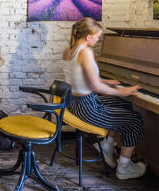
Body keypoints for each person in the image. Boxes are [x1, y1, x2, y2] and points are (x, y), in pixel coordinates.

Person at [62, 17, 146, 180]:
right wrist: (123, 91)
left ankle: (107, 144)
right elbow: (96, 87)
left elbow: (81, 77)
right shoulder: (85, 51)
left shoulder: (69, 49)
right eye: (97, 37)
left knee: (123, 104)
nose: (98, 40)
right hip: (87, 107)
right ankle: (124, 168)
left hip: (75, 103)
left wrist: (107, 82)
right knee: (136, 122)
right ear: (88, 37)